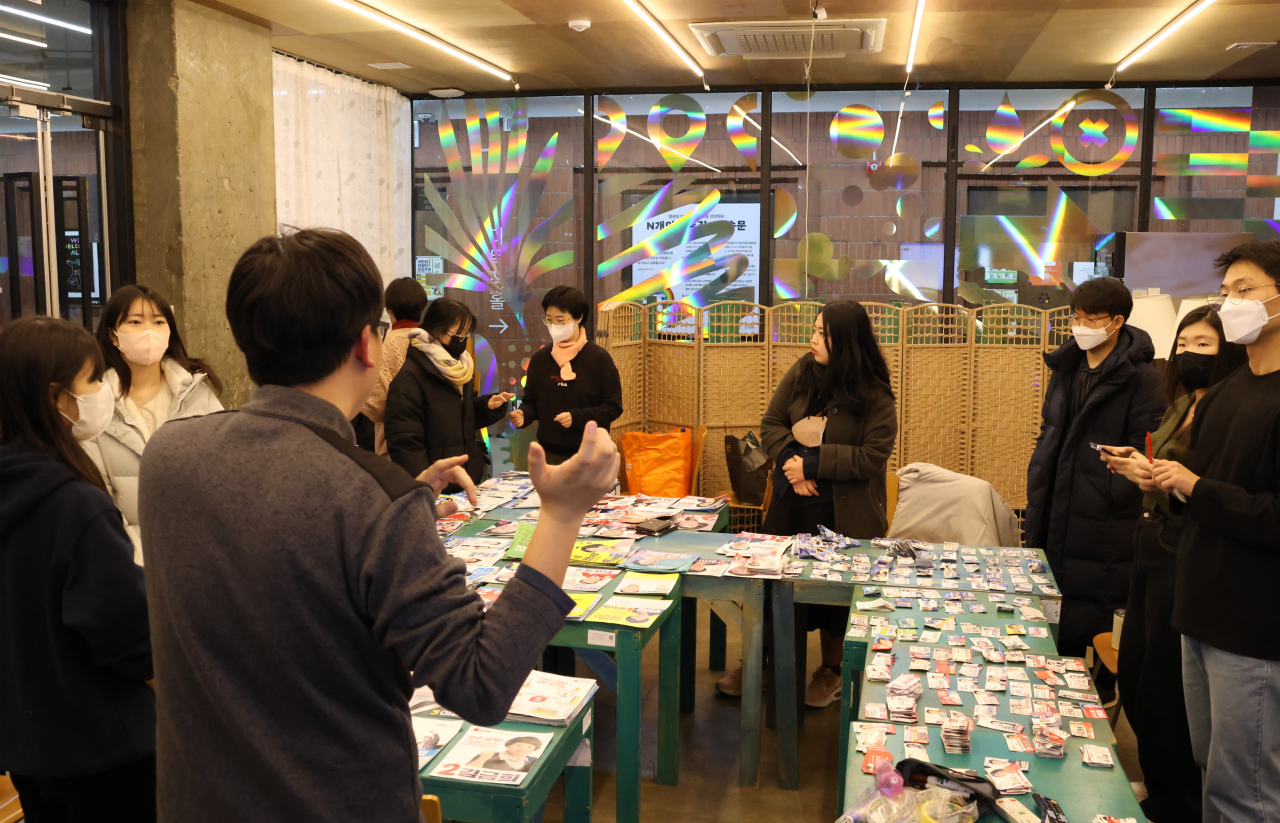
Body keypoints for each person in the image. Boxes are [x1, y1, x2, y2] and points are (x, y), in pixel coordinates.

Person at [136, 228, 620, 822]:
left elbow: (278, 557)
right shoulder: (374, 499)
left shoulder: (168, 458)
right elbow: (481, 682)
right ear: (368, 345)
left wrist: (405, 503)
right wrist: (563, 515)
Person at [0, 317, 155, 821]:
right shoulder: (73, 507)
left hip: (27, 747)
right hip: (106, 751)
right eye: (92, 379)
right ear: (56, 397)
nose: (103, 391)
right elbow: (129, 636)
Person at [1148, 241, 1280, 823]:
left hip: (1254, 629)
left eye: (1245, 290)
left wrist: (1196, 487)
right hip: (1198, 611)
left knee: (1246, 792)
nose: (1230, 305)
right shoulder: (1227, 391)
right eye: (1225, 293)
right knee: (1210, 770)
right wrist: (1170, 483)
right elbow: (1207, 492)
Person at [1101, 306, 1246, 823]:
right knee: (1137, 672)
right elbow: (1168, 471)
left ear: (1228, 350)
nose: (1188, 354)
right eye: (1183, 344)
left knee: (1168, 686)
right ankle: (1160, 786)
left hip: (1185, 551)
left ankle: (1178, 802)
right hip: (1149, 540)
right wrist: (1139, 468)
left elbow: (1210, 489)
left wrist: (1176, 482)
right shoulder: (1181, 402)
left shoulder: (1230, 411)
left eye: (1203, 345)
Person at [747, 300, 897, 707]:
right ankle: (764, 664)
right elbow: (771, 424)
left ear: (846, 341)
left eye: (822, 334)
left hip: (842, 513)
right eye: (813, 330)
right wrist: (793, 463)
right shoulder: (803, 371)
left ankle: (831, 671)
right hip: (791, 503)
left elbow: (871, 457)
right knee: (773, 587)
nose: (812, 340)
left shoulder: (875, 393)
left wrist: (813, 465)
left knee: (833, 600)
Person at [1023, 276, 1163, 658]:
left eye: (1091, 319)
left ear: (1117, 322)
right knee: (1044, 613)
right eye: (1076, 317)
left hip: (1101, 518)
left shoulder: (1144, 379)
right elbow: (1050, 428)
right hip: (1052, 500)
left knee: (1088, 620)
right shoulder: (1065, 368)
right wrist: (1039, 472)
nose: (1081, 326)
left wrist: (1110, 493)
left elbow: (1145, 450)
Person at [83, 284, 223, 564]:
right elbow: (98, 498)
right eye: (135, 322)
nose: (149, 331)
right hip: (130, 561)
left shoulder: (197, 394)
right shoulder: (97, 403)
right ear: (113, 335)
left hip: (201, 556)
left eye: (158, 322)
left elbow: (223, 479)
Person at [385, 297, 514, 485]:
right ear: (435, 329)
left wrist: (487, 405)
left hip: (466, 476)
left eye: (466, 333)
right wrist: (428, 484)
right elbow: (405, 443)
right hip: (438, 483)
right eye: (457, 333)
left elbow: (462, 416)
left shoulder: (460, 368)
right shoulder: (409, 379)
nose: (462, 339)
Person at [511, 286, 623, 465]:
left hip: (591, 454)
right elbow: (531, 402)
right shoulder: (540, 359)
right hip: (549, 454)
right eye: (549, 320)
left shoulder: (599, 358)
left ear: (579, 318)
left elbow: (613, 407)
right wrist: (523, 415)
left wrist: (577, 417)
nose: (554, 326)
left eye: (560, 320)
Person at [362, 276, 429, 455]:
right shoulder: (435, 345)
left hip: (393, 446)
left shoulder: (380, 348)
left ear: (390, 311)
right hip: (432, 443)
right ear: (422, 309)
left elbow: (377, 410)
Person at [467, 737, 543, 772]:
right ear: (509, 745)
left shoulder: (534, 760)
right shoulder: (488, 755)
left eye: (529, 747)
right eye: (519, 745)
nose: (523, 749)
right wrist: (482, 758)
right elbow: (467, 771)